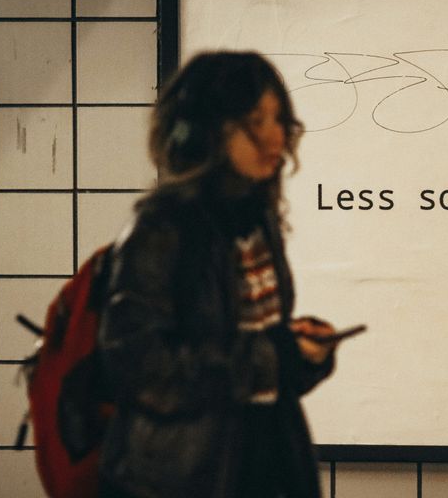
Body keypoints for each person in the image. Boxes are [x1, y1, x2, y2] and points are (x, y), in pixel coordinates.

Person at [97, 51, 338, 498]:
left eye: (279, 119)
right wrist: (273, 355)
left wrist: (302, 354)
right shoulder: (162, 228)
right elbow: (140, 366)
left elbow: (257, 358)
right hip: (180, 477)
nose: (275, 137)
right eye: (255, 122)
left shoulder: (257, 218)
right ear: (204, 131)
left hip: (265, 460)